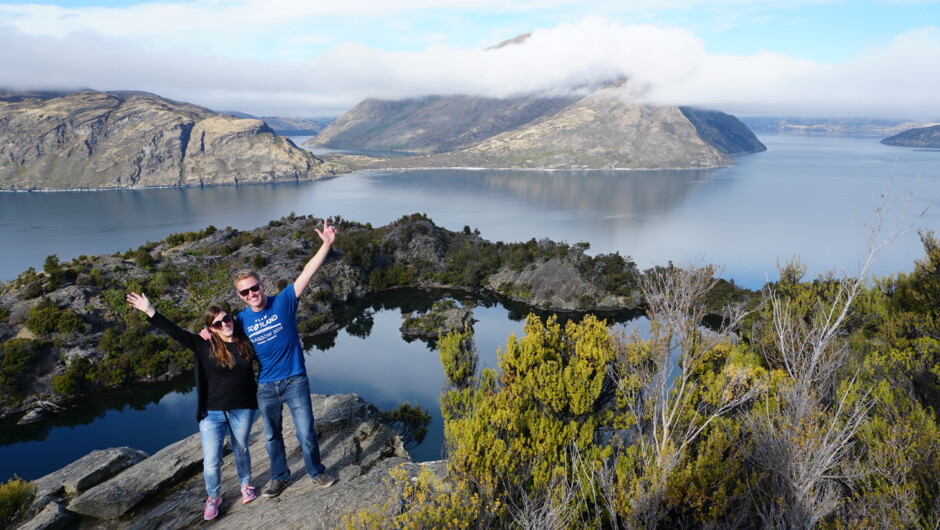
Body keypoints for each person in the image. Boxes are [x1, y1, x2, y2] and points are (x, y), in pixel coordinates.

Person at [126, 292, 258, 521]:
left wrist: (294, 344)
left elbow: (271, 350)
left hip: (243, 408)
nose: (224, 324)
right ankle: (213, 497)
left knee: (242, 449)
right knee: (211, 460)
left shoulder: (247, 341)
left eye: (227, 319)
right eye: (217, 323)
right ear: (211, 327)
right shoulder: (202, 344)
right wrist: (150, 310)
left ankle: (246, 485)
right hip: (212, 412)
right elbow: (175, 332)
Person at [230, 217, 338, 497]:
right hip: (266, 386)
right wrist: (208, 332)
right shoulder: (240, 320)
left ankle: (316, 471)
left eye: (255, 288)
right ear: (240, 296)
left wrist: (325, 245)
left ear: (262, 285)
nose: (252, 294)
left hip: (294, 380)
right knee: (271, 436)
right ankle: (280, 477)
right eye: (245, 291)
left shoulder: (284, 301)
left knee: (305, 433)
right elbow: (219, 330)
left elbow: (307, 272)